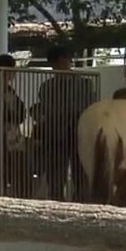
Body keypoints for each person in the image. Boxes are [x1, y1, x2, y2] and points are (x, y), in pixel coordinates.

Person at [30, 45, 94, 201]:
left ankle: (81, 201)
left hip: (78, 135)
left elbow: (89, 107)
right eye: (60, 60)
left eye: (67, 59)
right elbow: (46, 109)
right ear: (53, 63)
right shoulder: (47, 87)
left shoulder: (85, 84)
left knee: (81, 174)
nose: (65, 63)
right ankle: (57, 200)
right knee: (56, 175)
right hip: (56, 136)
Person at [0, 54, 28, 197]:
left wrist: (16, 117)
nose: (13, 73)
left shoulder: (10, 90)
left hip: (13, 137)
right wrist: (14, 116)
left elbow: (22, 110)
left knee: (16, 170)